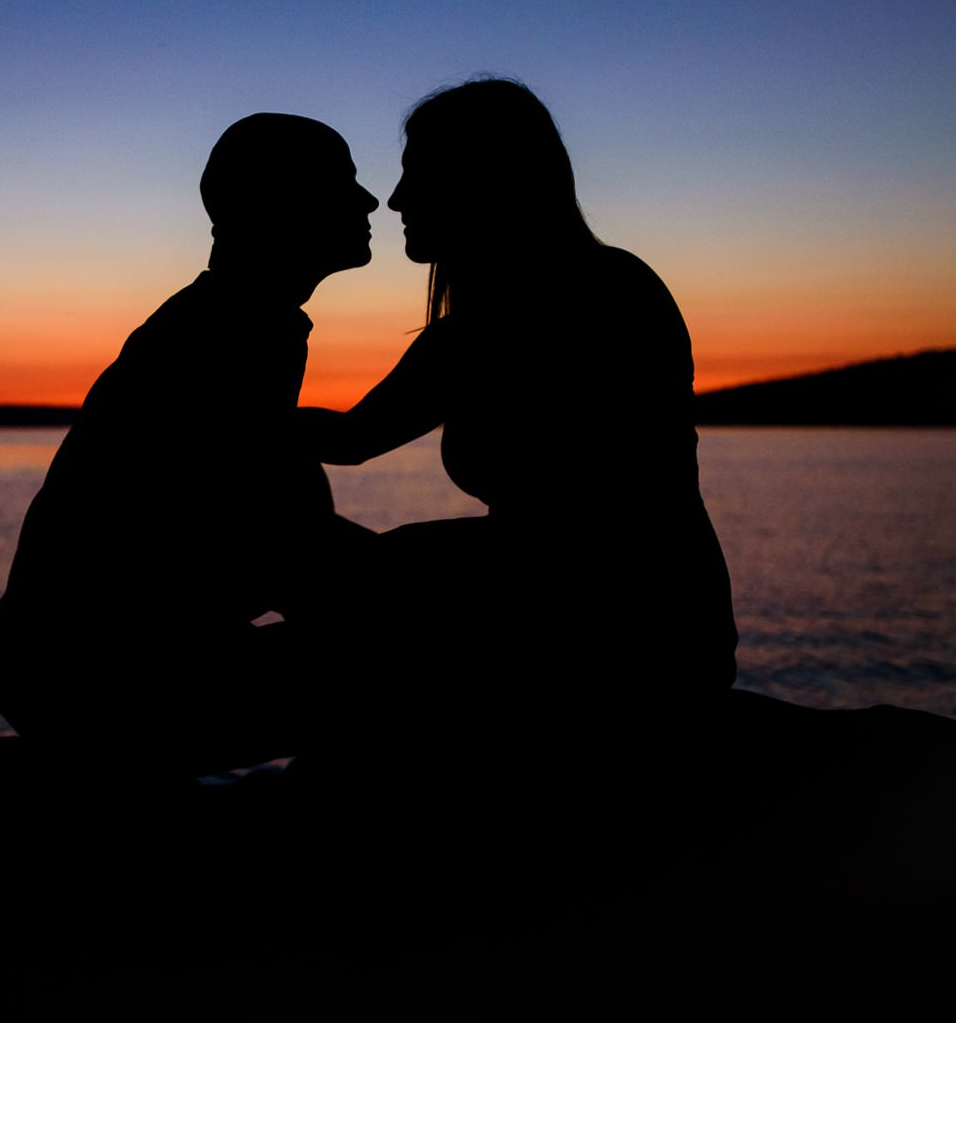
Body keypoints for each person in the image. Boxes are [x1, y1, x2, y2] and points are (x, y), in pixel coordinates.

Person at [301, 78, 737, 712]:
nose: (395, 199)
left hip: (628, 630)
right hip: (619, 612)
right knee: (370, 570)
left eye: (416, 173)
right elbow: (351, 436)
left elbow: (350, 439)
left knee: (370, 579)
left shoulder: (588, 297)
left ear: (480, 178)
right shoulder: (521, 311)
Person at [0, 113, 380, 780]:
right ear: (280, 205)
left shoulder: (236, 320)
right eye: (342, 182)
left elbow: (266, 533)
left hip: (75, 665)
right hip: (92, 678)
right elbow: (269, 534)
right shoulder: (231, 332)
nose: (369, 201)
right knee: (424, 663)